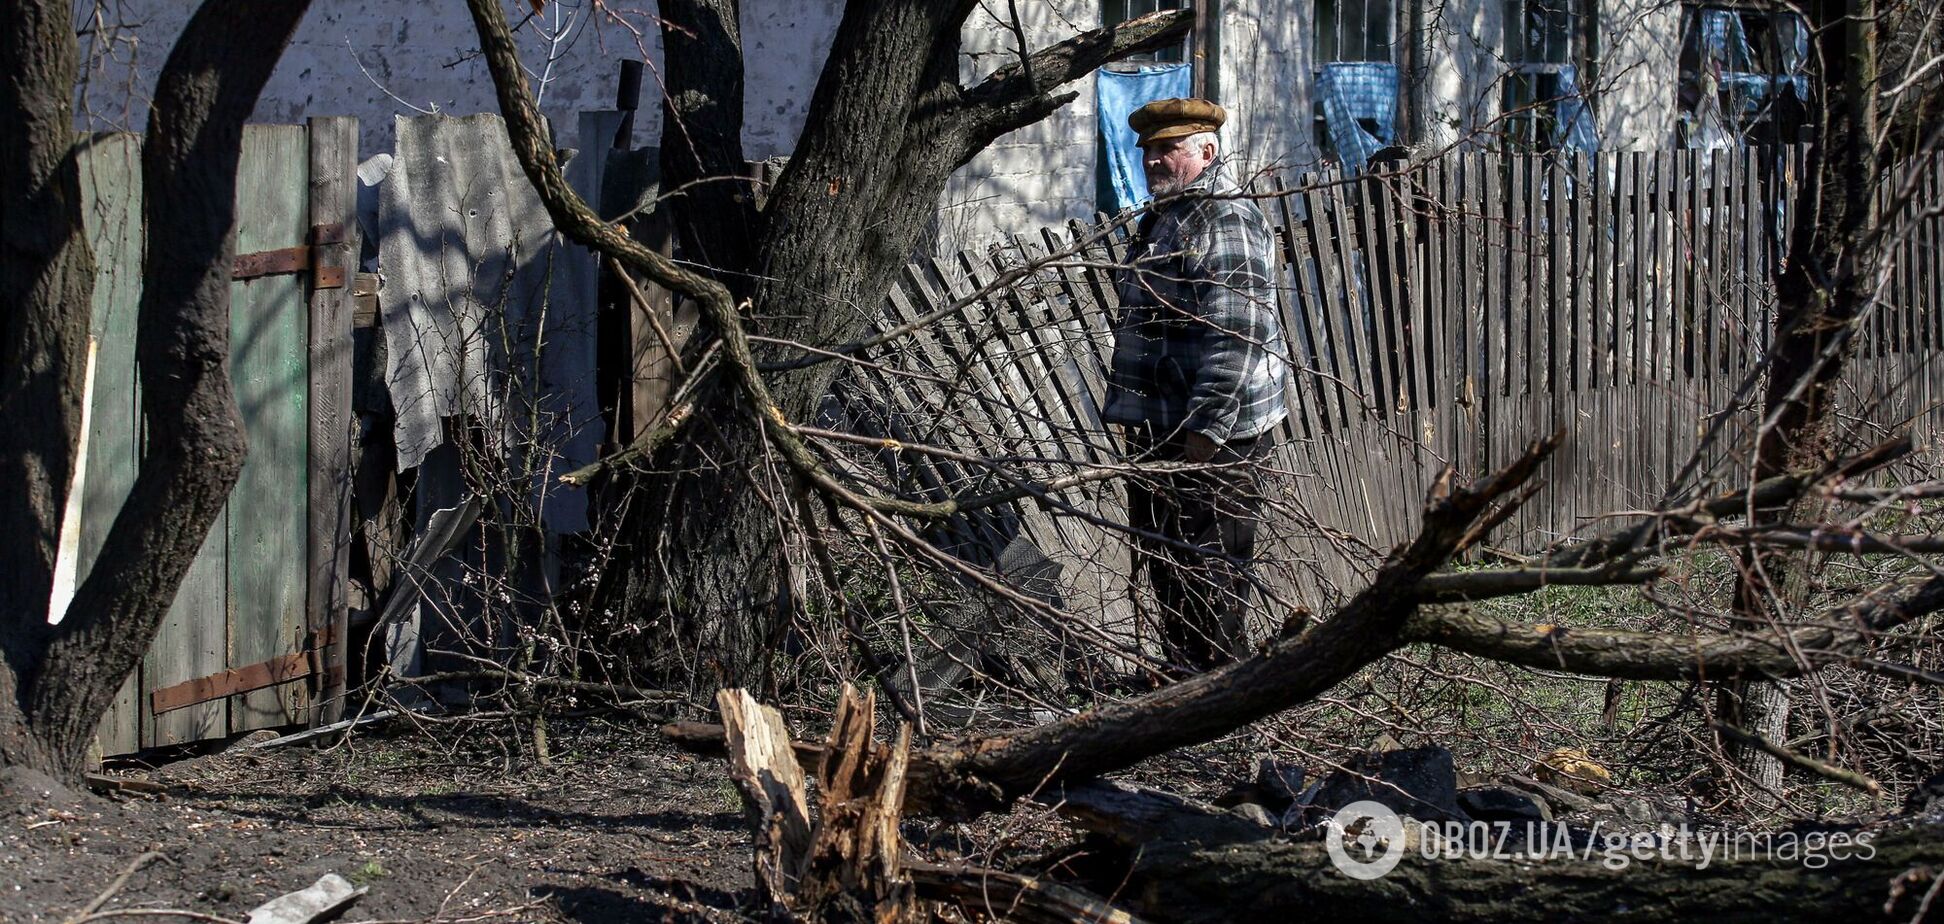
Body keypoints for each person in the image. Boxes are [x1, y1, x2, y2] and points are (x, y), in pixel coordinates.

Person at [1103, 98, 1289, 672]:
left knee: (1211, 569)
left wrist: (1206, 429)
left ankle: (1219, 695)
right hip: (1164, 426)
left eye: (1169, 149)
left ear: (1206, 152)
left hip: (1215, 434)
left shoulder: (1222, 216)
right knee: (1168, 561)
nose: (1155, 160)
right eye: (1149, 151)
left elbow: (1240, 331)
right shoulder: (1166, 215)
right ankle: (1183, 683)